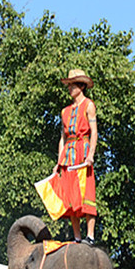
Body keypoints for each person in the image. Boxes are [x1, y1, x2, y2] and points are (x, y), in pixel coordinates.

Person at [54, 68, 98, 244]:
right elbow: (63, 138)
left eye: (72, 85)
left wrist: (91, 155)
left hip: (82, 152)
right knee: (70, 196)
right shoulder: (65, 111)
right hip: (68, 155)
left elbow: (94, 132)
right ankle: (77, 236)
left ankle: (90, 235)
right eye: (69, 85)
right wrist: (58, 161)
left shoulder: (89, 105)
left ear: (81, 86)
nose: (70, 88)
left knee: (86, 193)